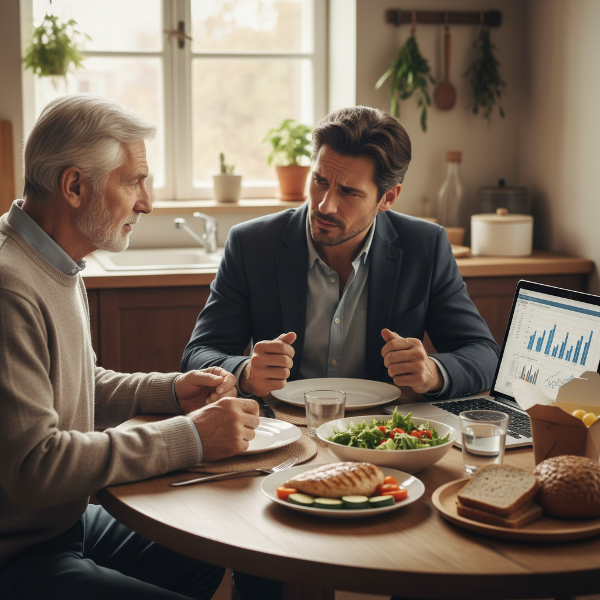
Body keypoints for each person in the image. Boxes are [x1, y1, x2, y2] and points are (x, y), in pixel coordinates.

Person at [0, 94, 261, 600]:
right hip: (18, 554)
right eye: (134, 181)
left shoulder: (57, 261)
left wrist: (171, 392)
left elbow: (81, 385)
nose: (147, 202)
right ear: (75, 186)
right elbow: (36, 466)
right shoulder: (11, 287)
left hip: (60, 529)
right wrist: (190, 436)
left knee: (210, 552)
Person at [182, 106, 500, 400]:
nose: (324, 204)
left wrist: (432, 373)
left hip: (382, 433)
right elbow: (200, 353)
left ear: (388, 197)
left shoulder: (424, 246)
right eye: (320, 181)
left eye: (348, 191)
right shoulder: (251, 244)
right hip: (284, 427)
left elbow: (484, 353)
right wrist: (246, 372)